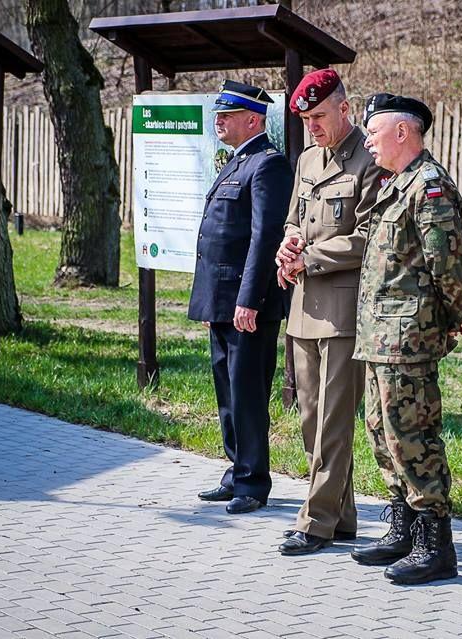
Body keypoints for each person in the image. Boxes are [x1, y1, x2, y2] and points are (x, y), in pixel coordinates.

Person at [349, 93, 462, 585]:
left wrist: (446, 319)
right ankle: (403, 527)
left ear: (403, 132)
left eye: (375, 131)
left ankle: (435, 544)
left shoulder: (430, 185)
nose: (368, 140)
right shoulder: (395, 184)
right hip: (380, 334)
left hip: (408, 337)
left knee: (413, 438)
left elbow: (451, 266)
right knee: (382, 434)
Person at [274, 70, 386, 555]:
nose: (312, 127)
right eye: (305, 120)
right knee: (309, 417)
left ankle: (316, 521)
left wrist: (310, 258)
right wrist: (287, 245)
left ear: (345, 108)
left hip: (343, 310)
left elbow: (367, 237)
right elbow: (294, 218)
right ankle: (342, 516)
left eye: (319, 117)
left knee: (333, 423)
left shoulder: (370, 160)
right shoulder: (307, 159)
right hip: (303, 307)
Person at [190, 80, 294, 515]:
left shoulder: (266, 165)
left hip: (246, 305)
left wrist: (248, 300)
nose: (219, 121)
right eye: (219, 114)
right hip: (223, 302)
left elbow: (264, 236)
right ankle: (236, 472)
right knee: (228, 393)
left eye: (227, 116)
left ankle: (253, 483)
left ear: (253, 120)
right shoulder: (237, 162)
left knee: (247, 394)